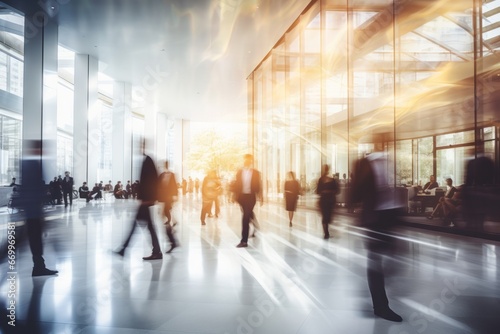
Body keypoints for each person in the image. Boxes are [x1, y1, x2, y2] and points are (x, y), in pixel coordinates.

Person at [350, 148, 403, 322]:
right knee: (375, 261)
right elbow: (355, 192)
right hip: (374, 218)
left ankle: (380, 299)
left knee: (392, 258)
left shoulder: (391, 160)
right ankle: (381, 306)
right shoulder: (364, 163)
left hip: (389, 217)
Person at [115, 141, 162, 260]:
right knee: (145, 227)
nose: (138, 148)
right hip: (145, 201)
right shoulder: (146, 160)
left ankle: (124, 250)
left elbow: (152, 181)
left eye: (140, 145)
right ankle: (125, 250)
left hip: (146, 201)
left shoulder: (148, 161)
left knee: (140, 226)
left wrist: (149, 199)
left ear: (144, 146)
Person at [19, 140, 58, 276]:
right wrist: (38, 211)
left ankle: (39, 266)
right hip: (33, 211)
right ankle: (39, 267)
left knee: (33, 239)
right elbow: (32, 189)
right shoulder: (32, 164)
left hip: (32, 210)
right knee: (31, 239)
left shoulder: (29, 163)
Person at [233, 154, 262, 248]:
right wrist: (234, 196)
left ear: (251, 161)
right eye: (245, 160)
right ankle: (255, 224)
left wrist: (261, 196)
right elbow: (236, 184)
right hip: (242, 198)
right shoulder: (239, 172)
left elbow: (259, 185)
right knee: (247, 214)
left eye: (249, 160)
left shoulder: (256, 173)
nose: (247, 161)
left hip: (251, 197)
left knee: (245, 217)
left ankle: (244, 241)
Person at [157, 160, 178, 253]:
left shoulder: (172, 175)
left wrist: (175, 195)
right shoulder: (161, 175)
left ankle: (170, 224)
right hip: (163, 198)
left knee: (166, 213)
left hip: (168, 198)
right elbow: (158, 187)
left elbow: (174, 186)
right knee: (165, 213)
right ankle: (171, 223)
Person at [316, 164, 339, 239]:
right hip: (329, 200)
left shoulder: (321, 180)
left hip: (324, 200)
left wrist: (324, 191)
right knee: (327, 216)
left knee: (325, 216)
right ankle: (326, 232)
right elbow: (337, 190)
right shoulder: (332, 180)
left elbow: (318, 191)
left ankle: (326, 232)